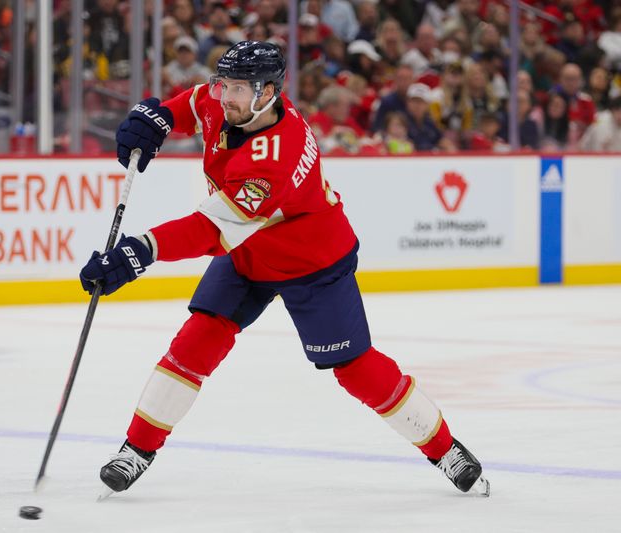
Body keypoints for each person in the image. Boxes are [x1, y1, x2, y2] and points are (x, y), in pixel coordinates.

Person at [79, 41, 489, 499]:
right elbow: (194, 104)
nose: (225, 96)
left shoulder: (276, 156)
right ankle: (136, 449)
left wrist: (137, 252)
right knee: (195, 342)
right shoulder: (230, 103)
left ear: (269, 91)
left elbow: (208, 230)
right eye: (224, 84)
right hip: (249, 253)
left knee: (356, 369)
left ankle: (444, 448)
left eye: (238, 88)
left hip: (311, 262)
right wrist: (157, 120)